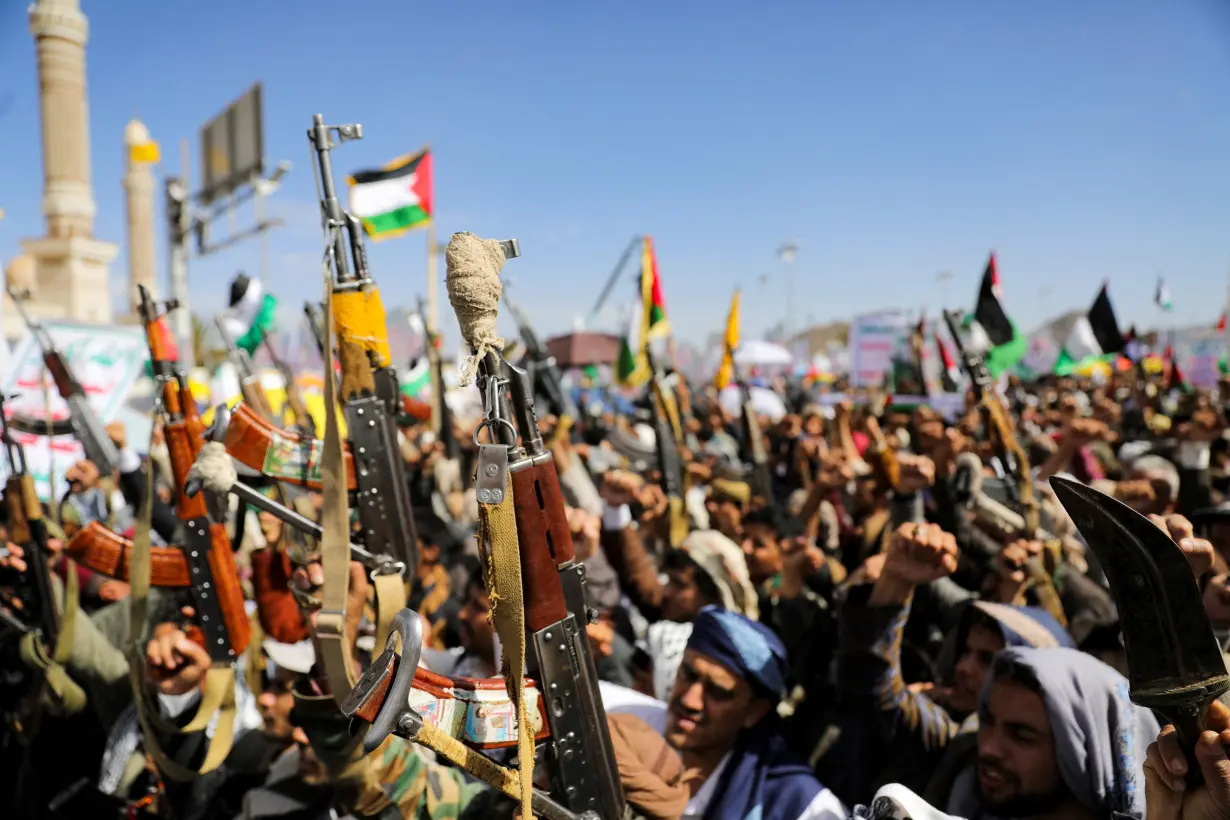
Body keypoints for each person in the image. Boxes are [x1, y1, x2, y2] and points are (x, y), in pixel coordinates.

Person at [657, 606, 847, 820]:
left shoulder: (799, 805)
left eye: (718, 692)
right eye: (688, 674)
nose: (690, 700)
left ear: (755, 711)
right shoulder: (632, 725)